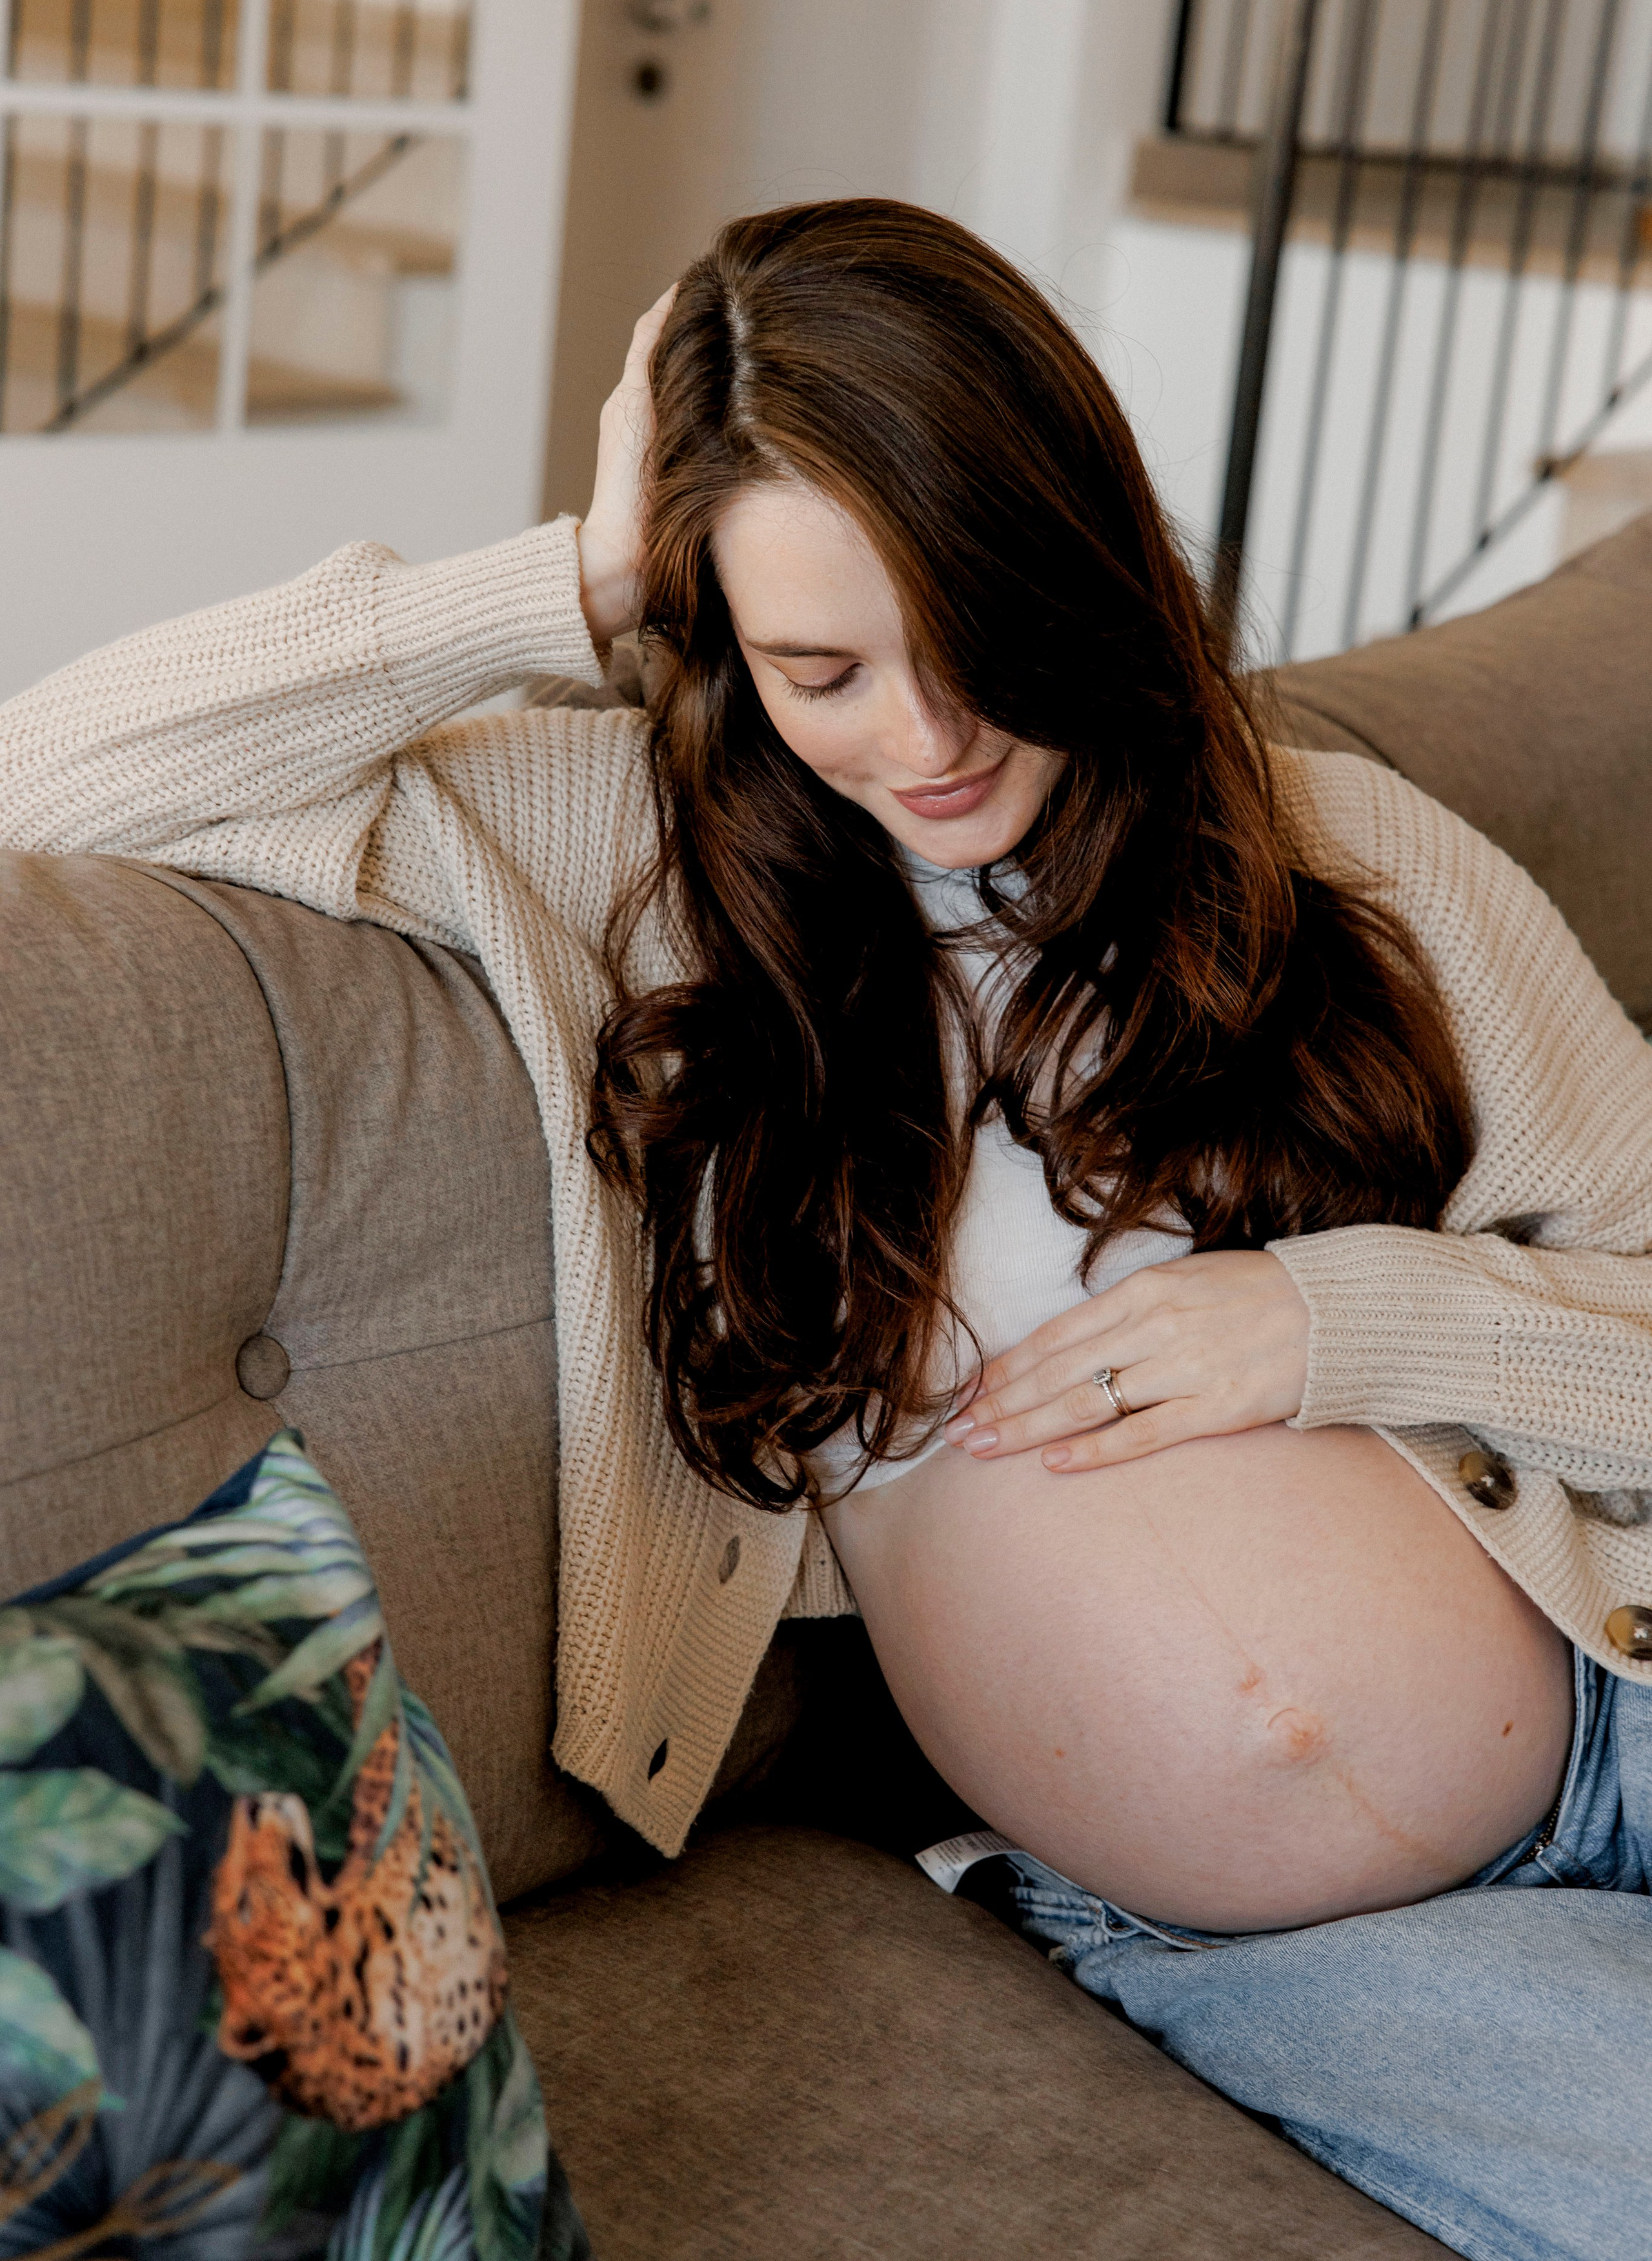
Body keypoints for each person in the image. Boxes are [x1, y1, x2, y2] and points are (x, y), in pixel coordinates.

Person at [5, 198, 1651, 2261]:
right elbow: (47, 779)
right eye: (824, 669)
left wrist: (1345, 1325)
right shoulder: (625, 864)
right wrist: (575, 578)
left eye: (973, 641)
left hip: (1615, 1681)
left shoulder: (1346, 864)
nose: (927, 741)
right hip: (1251, 1939)